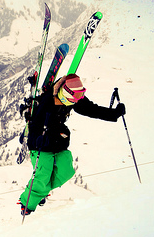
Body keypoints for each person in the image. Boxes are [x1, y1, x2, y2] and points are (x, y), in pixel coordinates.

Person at [19, 74, 125, 216]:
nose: (75, 101)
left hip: (57, 141)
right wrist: (38, 138)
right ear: (65, 92)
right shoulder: (48, 100)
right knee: (42, 175)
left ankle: (41, 192)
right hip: (40, 143)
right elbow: (37, 121)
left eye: (79, 97)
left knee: (66, 171)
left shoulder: (74, 97)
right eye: (74, 98)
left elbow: (91, 110)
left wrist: (113, 114)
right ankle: (27, 203)